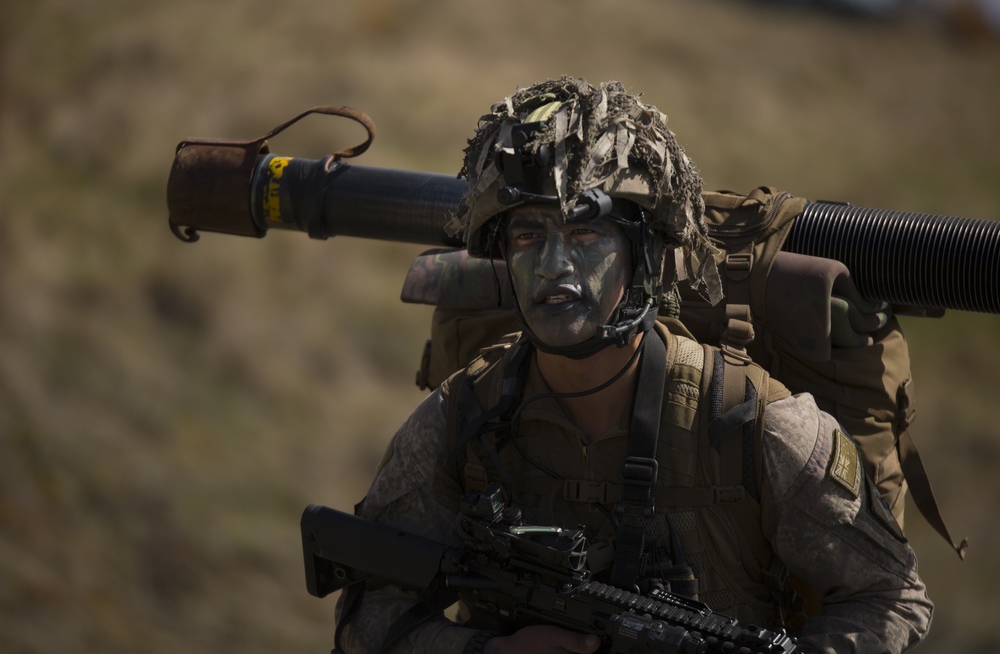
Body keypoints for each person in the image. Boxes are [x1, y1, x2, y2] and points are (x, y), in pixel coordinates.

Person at [334, 77, 933, 654]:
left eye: (586, 233)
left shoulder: (757, 426)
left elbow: (891, 596)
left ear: (642, 253)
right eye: (527, 236)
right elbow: (367, 614)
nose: (552, 266)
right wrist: (484, 650)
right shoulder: (460, 419)